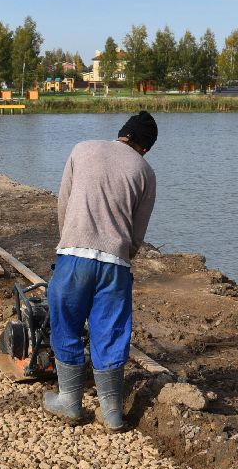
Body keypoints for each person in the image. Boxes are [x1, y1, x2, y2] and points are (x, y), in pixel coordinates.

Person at [43, 111, 158, 430]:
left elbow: (64, 202)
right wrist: (122, 255)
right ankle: (112, 412)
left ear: (122, 133)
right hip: (115, 264)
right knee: (111, 331)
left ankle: (70, 401)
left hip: (73, 256)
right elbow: (137, 232)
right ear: (146, 148)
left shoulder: (81, 149)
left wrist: (68, 241)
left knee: (66, 324)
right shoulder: (145, 171)